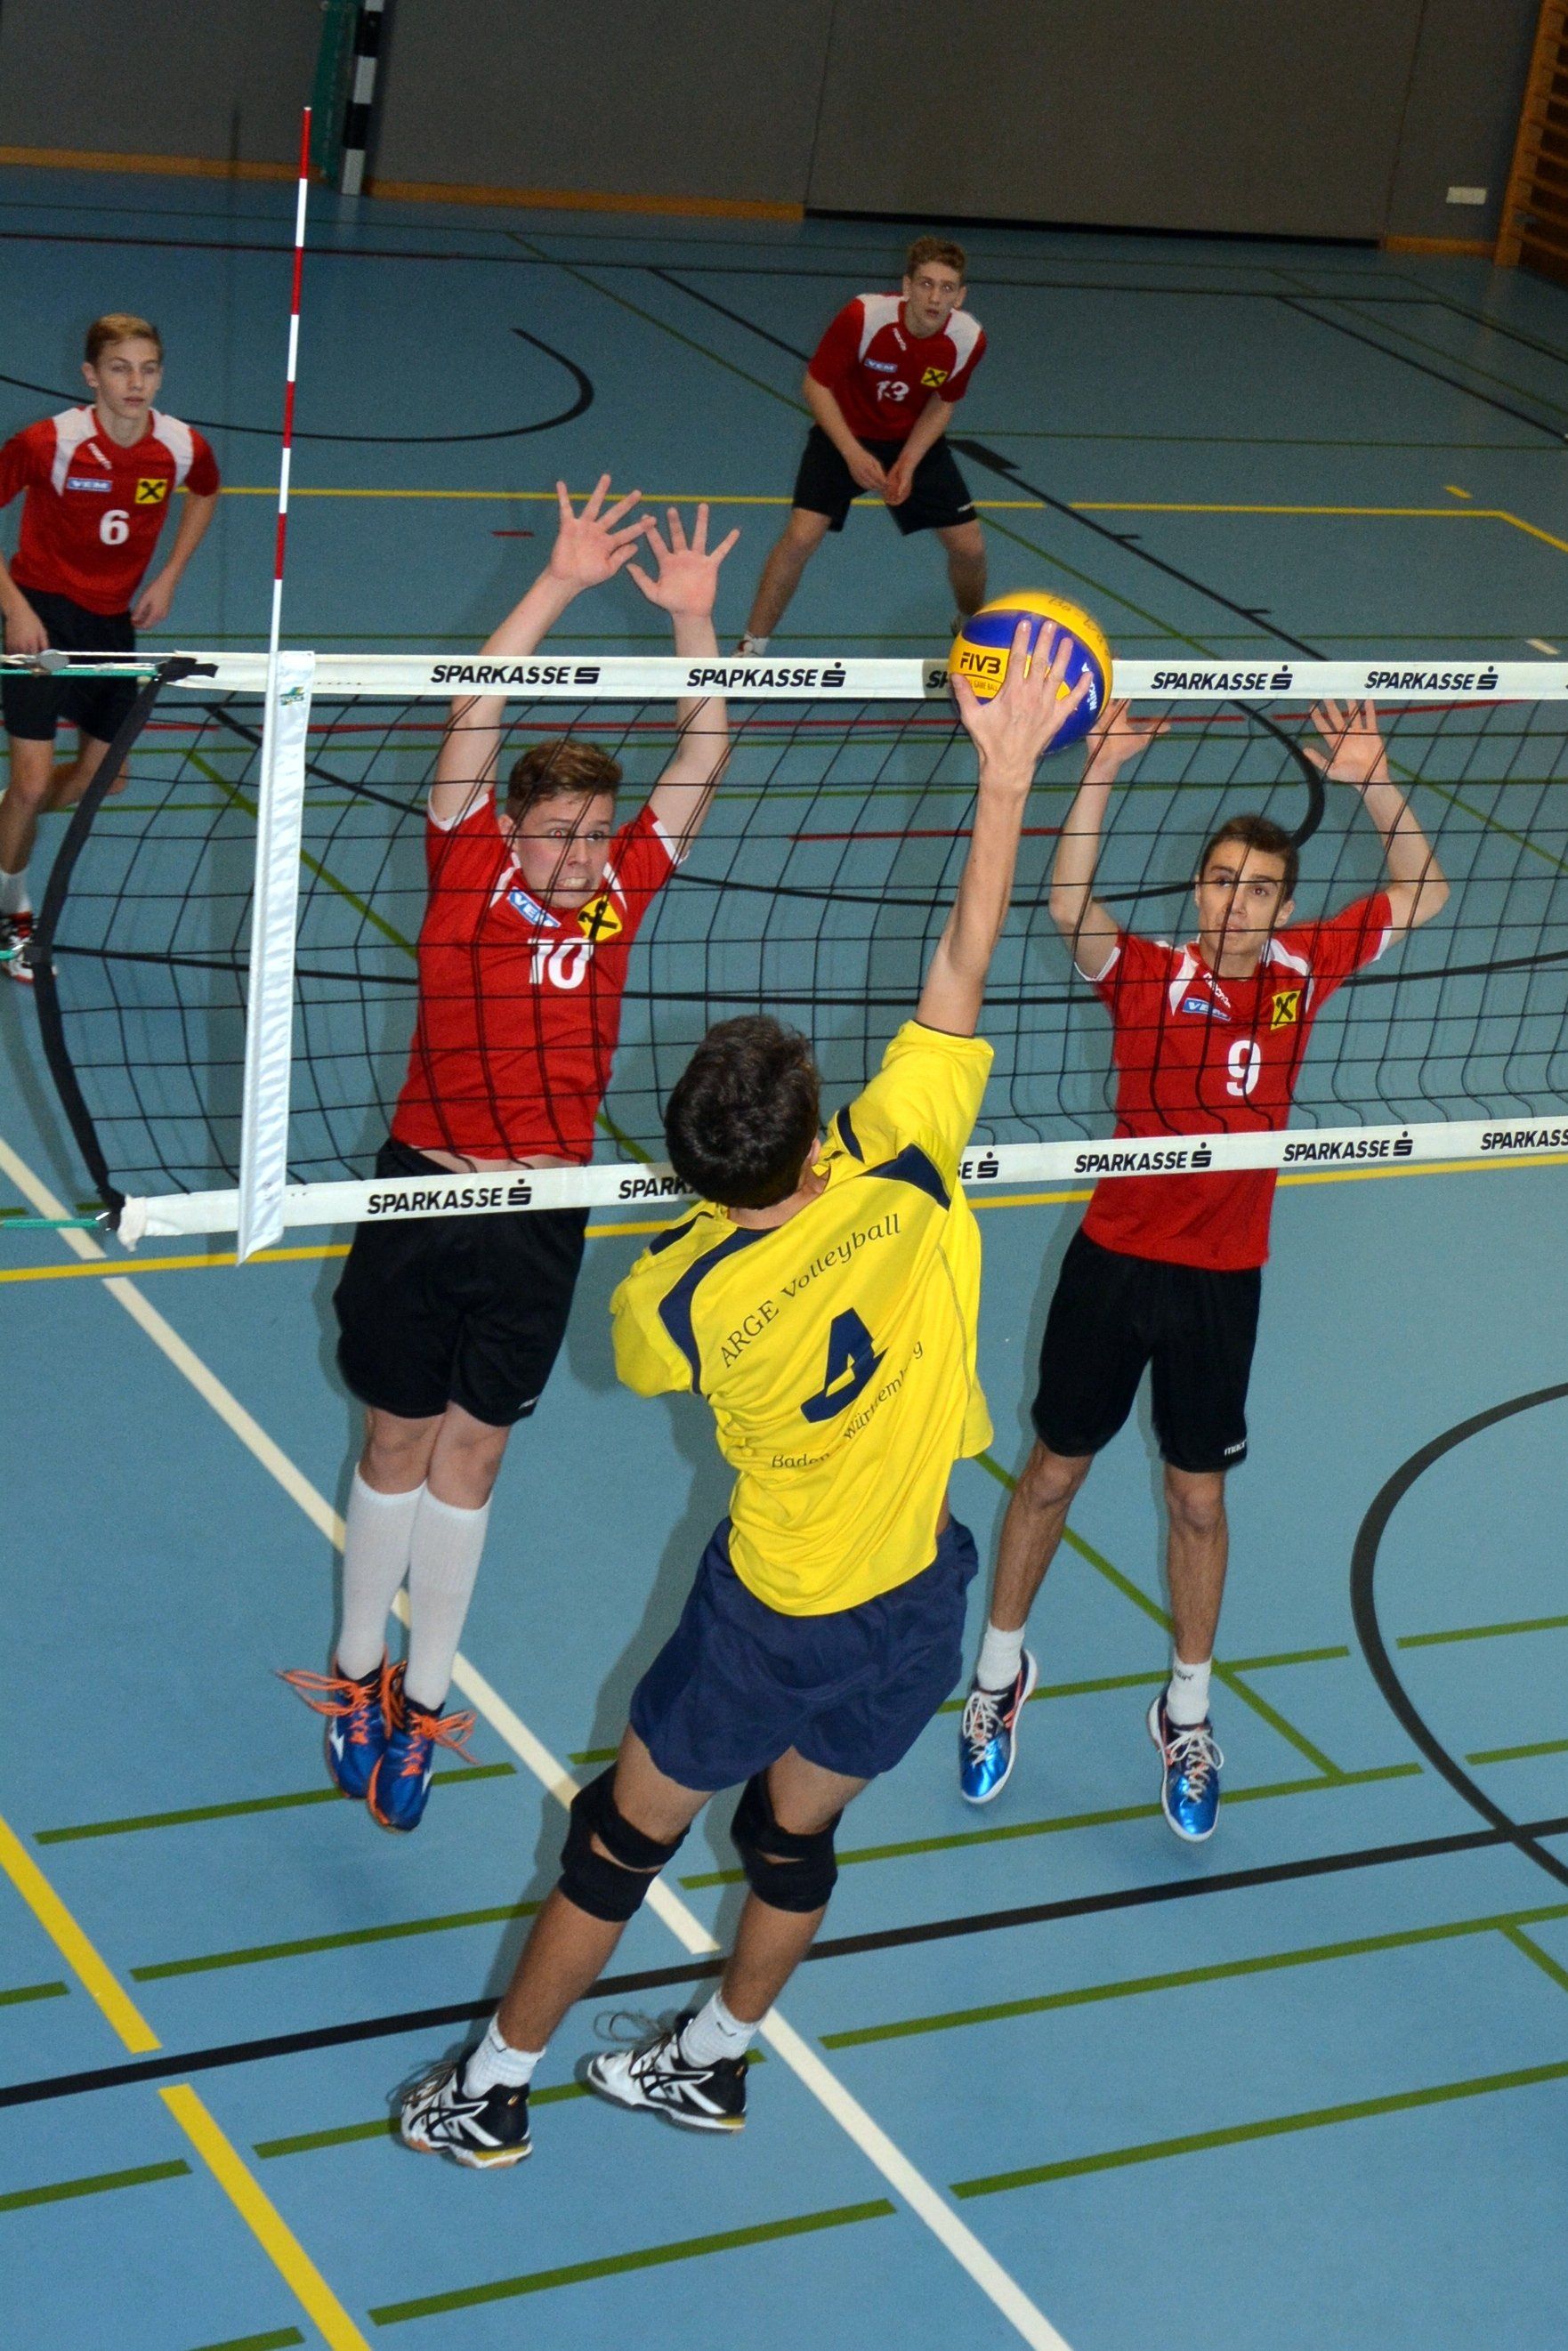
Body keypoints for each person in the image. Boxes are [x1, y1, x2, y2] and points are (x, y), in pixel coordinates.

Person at [396, 626, 1091, 2169]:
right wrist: (1003, 778)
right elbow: (964, 959)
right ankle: (711, 2059)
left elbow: (651, 1336)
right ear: (813, 1121)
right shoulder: (907, 1163)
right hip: (918, 1591)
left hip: (771, 1611)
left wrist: (707, 1224)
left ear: (696, 1166)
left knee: (614, 1842)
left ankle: (491, 2086)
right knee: (791, 1837)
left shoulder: (676, 1297)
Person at [282, 479, 738, 1833]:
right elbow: (474, 703)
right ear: (512, 825)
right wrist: (558, 582)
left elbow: (707, 746)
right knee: (396, 1435)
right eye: (561, 832)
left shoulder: (620, 890)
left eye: (597, 833)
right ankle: (357, 1669)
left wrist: (694, 621)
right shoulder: (464, 861)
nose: (583, 854)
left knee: (473, 1456)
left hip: (543, 1209)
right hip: (425, 1185)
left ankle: (423, 1702)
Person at [958, 697, 1450, 1840]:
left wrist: (1374, 777)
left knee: (1197, 1497)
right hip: (1113, 1262)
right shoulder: (1143, 972)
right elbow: (1066, 904)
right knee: (1051, 1474)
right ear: (1197, 891)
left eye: (1260, 888)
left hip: (1223, 1277)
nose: (1237, 902)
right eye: (1222, 881)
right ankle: (997, 1675)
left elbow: (1423, 889)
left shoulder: (1299, 972)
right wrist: (1098, 770)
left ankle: (1185, 1711)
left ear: (1283, 905)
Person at [0, 313, 221, 979]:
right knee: (31, 783)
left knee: (105, 779)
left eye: (148, 369)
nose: (136, 383)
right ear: (91, 376)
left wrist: (171, 574)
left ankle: (8, 818)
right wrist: (14, 608)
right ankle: (10, 913)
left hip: (112, 627)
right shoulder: (49, 442)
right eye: (120, 369)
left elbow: (205, 492)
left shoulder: (180, 446)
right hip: (40, 619)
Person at [738, 236, 988, 655]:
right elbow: (816, 385)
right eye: (926, 284)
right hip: (844, 434)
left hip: (911, 439)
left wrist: (909, 461)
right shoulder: (864, 317)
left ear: (960, 296)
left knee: (970, 548)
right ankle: (751, 646)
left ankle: (972, 631)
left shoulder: (968, 339)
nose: (935, 297)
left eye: (947, 288)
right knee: (800, 537)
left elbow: (943, 402)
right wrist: (852, 453)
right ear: (906, 286)